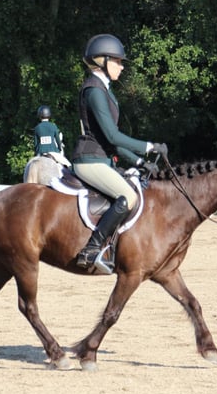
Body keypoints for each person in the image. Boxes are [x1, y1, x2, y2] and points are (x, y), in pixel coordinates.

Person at [72, 33, 168, 270]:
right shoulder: (94, 90)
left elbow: (112, 142)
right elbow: (113, 136)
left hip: (102, 158)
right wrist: (148, 147)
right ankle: (92, 248)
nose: (122, 67)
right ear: (101, 61)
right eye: (117, 61)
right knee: (129, 196)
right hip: (89, 160)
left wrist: (138, 162)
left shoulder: (103, 90)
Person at [23, 105, 69, 184]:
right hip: (53, 152)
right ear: (49, 115)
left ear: (39, 115)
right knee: (68, 165)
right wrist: (59, 149)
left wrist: (37, 152)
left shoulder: (37, 128)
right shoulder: (53, 126)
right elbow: (58, 140)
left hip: (40, 152)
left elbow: (36, 144)